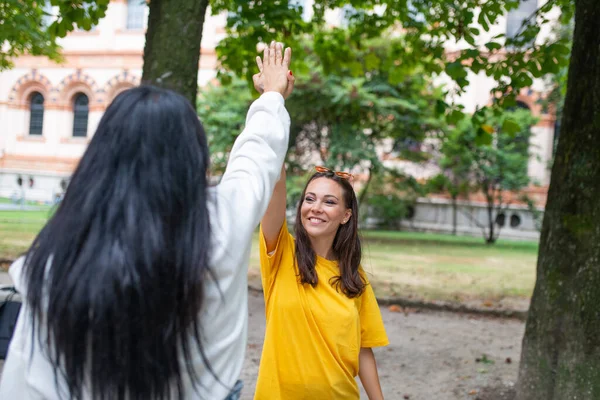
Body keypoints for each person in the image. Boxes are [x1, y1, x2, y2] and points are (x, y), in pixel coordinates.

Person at [0, 41, 294, 400]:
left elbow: (26, 382)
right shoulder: (221, 221)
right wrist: (271, 96)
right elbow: (256, 154)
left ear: (101, 156)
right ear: (192, 155)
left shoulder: (57, 257)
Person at [255, 162, 389, 399]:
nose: (316, 208)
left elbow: (362, 347)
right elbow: (276, 186)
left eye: (329, 202)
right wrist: (276, 147)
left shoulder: (354, 277)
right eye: (309, 199)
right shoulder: (282, 253)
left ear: (346, 215)